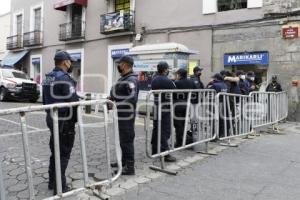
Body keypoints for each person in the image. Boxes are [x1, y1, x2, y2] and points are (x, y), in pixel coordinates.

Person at [42, 51, 79, 194]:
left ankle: (52, 181)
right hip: (64, 121)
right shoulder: (64, 78)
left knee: (55, 151)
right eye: (70, 61)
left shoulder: (48, 77)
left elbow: (45, 101)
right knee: (63, 153)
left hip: (51, 118)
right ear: (65, 62)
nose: (71, 64)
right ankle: (60, 186)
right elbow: (73, 101)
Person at [109, 55, 139, 175]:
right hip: (121, 114)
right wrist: (110, 99)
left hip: (127, 115)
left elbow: (132, 97)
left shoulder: (131, 79)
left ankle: (130, 167)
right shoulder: (124, 78)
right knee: (122, 140)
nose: (118, 66)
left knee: (127, 140)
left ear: (125, 65)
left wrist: (118, 105)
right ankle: (123, 161)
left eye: (120, 63)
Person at [151, 61, 177, 162]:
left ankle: (155, 150)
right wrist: (171, 82)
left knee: (157, 128)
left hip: (157, 106)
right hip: (165, 107)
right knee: (165, 130)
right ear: (165, 69)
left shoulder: (154, 79)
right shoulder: (166, 80)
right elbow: (175, 92)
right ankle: (164, 153)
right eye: (167, 69)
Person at [173, 68, 196, 147]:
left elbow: (173, 94)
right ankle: (183, 140)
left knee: (178, 124)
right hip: (187, 104)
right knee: (184, 123)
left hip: (177, 105)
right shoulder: (191, 82)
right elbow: (196, 92)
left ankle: (179, 142)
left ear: (179, 75)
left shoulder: (177, 83)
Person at [207, 73, 228, 138]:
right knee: (221, 119)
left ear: (215, 78)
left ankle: (214, 135)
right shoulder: (224, 84)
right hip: (223, 104)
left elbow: (205, 91)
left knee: (213, 120)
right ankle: (221, 134)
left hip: (215, 104)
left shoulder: (214, 85)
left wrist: (209, 83)